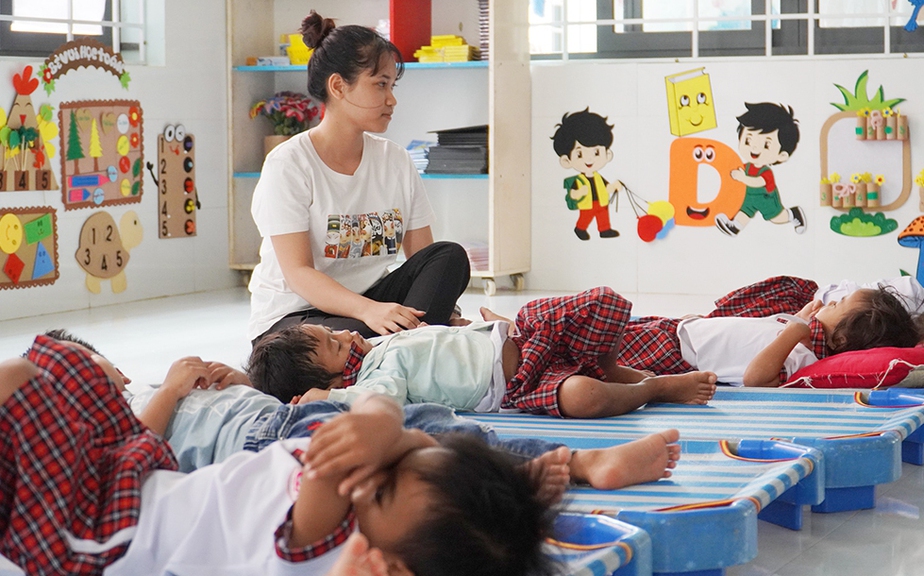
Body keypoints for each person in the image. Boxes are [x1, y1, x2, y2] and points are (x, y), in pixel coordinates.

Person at [0, 336, 557, 576]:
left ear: (387, 566)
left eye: (383, 490)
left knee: (16, 378)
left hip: (106, 527)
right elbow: (421, 443)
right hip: (142, 477)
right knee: (68, 363)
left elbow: (372, 429)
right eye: (401, 463)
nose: (378, 468)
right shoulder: (372, 514)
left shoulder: (327, 535)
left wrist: (384, 424)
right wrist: (394, 433)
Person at [44, 330, 683, 491]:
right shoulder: (121, 421)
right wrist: (168, 394)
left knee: (428, 421)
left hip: (276, 417)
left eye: (97, 367)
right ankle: (547, 470)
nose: (106, 380)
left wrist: (225, 379)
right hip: (261, 450)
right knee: (403, 451)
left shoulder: (143, 387)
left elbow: (250, 398)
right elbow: (134, 456)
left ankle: (568, 461)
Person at [248, 10, 470, 345]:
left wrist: (445, 309)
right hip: (296, 318)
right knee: (324, 345)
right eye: (380, 84)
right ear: (338, 86)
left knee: (448, 256)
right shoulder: (289, 164)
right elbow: (298, 273)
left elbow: (424, 257)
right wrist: (369, 311)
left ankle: (403, 343)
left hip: (370, 307)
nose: (392, 99)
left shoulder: (395, 160)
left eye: (392, 86)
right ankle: (414, 343)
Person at [247, 287, 718, 418]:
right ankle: (653, 389)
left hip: (520, 337)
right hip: (520, 384)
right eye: (335, 346)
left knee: (603, 301)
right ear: (334, 381)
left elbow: (439, 343)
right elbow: (380, 403)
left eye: (336, 332)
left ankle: (612, 366)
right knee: (583, 397)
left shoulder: (380, 346)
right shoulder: (373, 382)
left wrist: (471, 325)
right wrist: (326, 402)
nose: (348, 336)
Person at [616, 276, 923, 387]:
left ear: (840, 338)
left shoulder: (803, 355)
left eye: (840, 303)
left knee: (602, 336)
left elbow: (756, 378)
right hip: (681, 330)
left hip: (675, 350)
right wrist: (799, 319)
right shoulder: (803, 334)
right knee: (612, 331)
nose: (832, 301)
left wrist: (795, 330)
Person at [715, 102, 806, 236]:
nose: (754, 148)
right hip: (748, 197)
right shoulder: (745, 167)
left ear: (781, 155)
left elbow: (759, 182)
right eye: (748, 140)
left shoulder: (766, 172)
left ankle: (793, 214)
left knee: (777, 218)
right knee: (744, 210)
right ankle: (735, 227)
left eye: (766, 145)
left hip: (766, 199)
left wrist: (742, 178)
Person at [552, 108, 623, 240]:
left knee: (603, 215)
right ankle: (580, 228)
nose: (589, 159)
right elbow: (572, 193)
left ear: (607, 154)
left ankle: (605, 229)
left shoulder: (598, 177)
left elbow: (606, 187)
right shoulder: (578, 179)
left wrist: (614, 187)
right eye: (579, 154)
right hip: (587, 203)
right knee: (586, 217)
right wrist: (579, 192)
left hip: (601, 201)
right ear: (567, 160)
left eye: (596, 152)